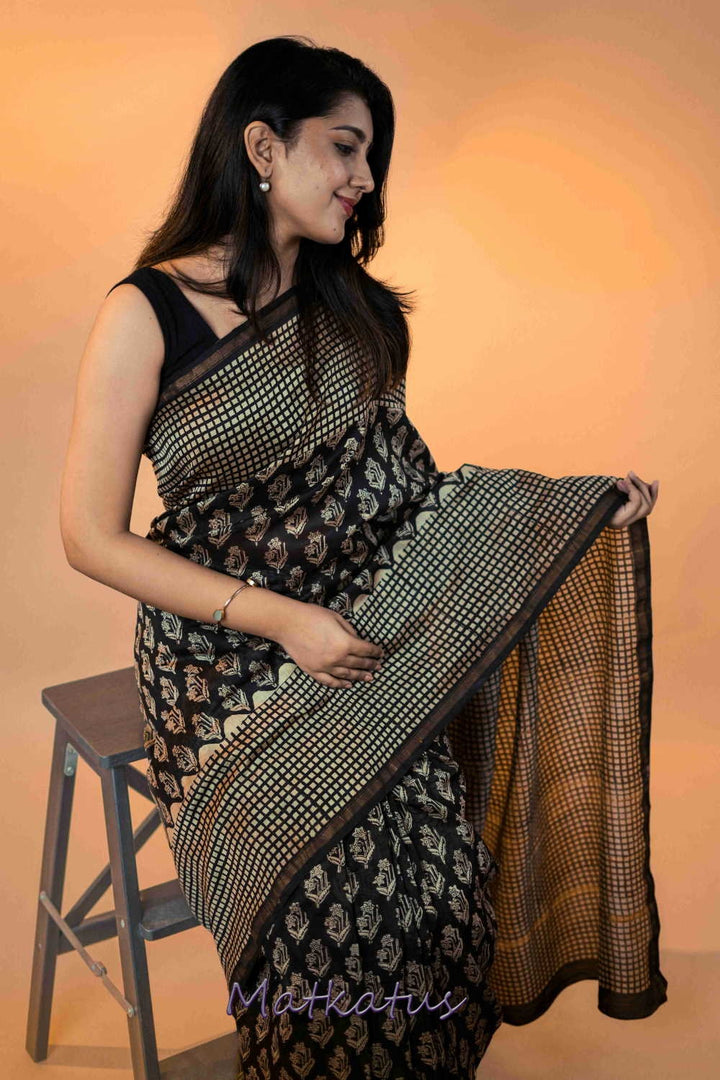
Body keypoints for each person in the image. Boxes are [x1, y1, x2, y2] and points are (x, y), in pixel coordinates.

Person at [59, 34, 665, 1080]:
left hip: (368, 638)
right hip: (224, 665)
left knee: (444, 894)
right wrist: (283, 619)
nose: (365, 178)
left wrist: (576, 512)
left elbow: (409, 498)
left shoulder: (354, 312)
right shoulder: (145, 313)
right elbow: (88, 536)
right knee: (342, 915)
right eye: (344, 147)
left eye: (371, 155)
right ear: (263, 146)